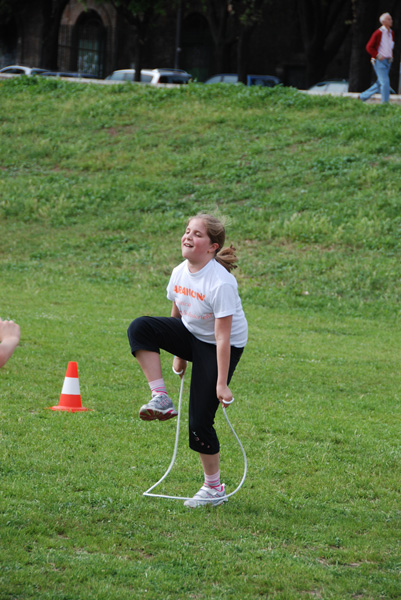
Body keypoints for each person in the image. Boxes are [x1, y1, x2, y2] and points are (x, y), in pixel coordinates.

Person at [127, 214, 248, 508]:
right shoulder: (179, 271)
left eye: (197, 234)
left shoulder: (221, 283)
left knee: (199, 422)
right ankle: (161, 398)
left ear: (212, 246)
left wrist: (221, 384)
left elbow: (221, 338)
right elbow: (178, 315)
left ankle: (214, 488)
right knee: (140, 327)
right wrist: (178, 356)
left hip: (221, 346)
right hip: (193, 335)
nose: (188, 237)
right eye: (186, 231)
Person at [360, 13, 394, 104]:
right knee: (385, 82)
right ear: (383, 22)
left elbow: (389, 46)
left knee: (380, 82)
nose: (391, 21)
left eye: (391, 19)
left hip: (388, 61)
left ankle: (363, 96)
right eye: (389, 19)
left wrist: (391, 56)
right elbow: (369, 47)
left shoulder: (391, 33)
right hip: (379, 61)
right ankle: (385, 103)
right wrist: (378, 55)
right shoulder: (378, 33)